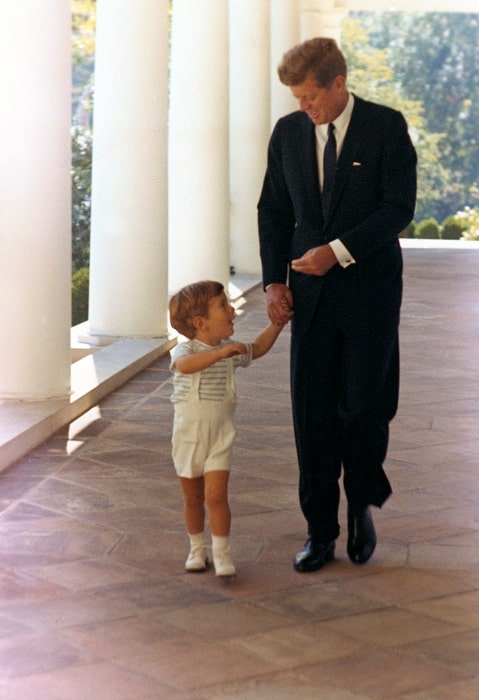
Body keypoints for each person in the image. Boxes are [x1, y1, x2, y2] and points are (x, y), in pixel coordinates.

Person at [257, 37, 417, 572]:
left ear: (338, 83)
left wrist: (338, 252)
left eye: (310, 97)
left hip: (370, 293)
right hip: (311, 301)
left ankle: (362, 506)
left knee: (365, 409)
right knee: (314, 414)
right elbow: (274, 210)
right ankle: (319, 532)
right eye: (298, 99)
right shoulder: (288, 133)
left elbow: (398, 208)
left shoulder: (386, 127)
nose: (305, 108)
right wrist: (273, 283)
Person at [169, 280, 285, 576]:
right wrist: (220, 354)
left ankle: (221, 552)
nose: (232, 310)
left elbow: (257, 348)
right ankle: (197, 549)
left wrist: (277, 324)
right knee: (193, 498)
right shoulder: (186, 350)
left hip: (220, 437)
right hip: (188, 438)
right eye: (223, 306)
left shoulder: (229, 349)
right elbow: (185, 366)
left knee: (217, 497)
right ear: (201, 323)